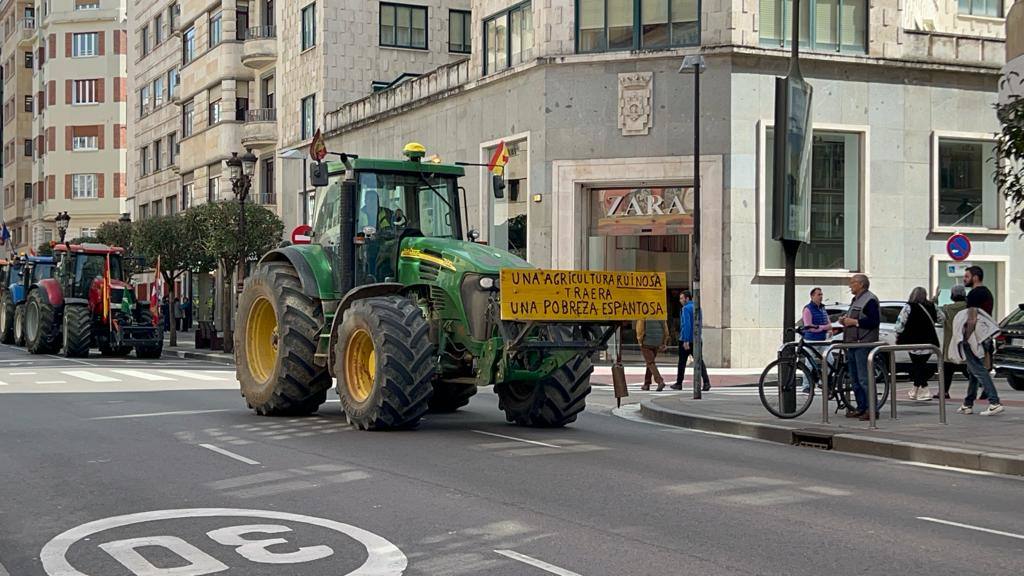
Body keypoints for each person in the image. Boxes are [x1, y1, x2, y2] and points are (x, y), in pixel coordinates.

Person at [956, 266, 1004, 416]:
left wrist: (965, 337)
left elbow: (972, 318)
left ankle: (994, 402)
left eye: (967, 276)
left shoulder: (974, 294)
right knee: (973, 371)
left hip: (975, 336)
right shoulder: (987, 292)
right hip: (985, 335)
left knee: (978, 369)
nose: (964, 279)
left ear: (975, 277)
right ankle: (968, 403)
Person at [839, 274, 880, 420]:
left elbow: (874, 321)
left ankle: (872, 409)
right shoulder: (855, 300)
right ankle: (861, 407)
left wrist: (854, 322)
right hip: (852, 342)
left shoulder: (870, 300)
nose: (850, 286)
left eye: (852, 283)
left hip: (863, 343)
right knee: (855, 379)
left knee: (864, 378)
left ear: (861, 284)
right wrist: (844, 319)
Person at [894, 287, 940, 401]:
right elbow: (941, 318)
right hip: (929, 341)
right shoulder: (932, 306)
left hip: (913, 341)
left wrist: (898, 334)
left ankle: (924, 389)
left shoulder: (908, 307)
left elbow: (900, 323)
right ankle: (915, 389)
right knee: (920, 365)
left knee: (917, 365)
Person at [672, 290, 710, 391]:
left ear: (687, 298)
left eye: (681, 298)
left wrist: (685, 340)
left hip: (686, 339)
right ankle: (706, 382)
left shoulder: (685, 309)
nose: (680, 300)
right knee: (699, 361)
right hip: (697, 339)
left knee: (682, 362)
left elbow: (686, 325)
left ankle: (679, 383)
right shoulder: (697, 307)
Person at [936, 285, 969, 399]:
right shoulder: (969, 307)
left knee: (947, 371)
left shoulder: (947, 309)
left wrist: (936, 297)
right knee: (970, 370)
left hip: (950, 344)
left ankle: (944, 392)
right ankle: (984, 390)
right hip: (966, 343)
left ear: (952, 295)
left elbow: (936, 314)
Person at [800, 287, 831, 393]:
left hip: (822, 340)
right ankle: (806, 385)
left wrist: (820, 327)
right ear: (812, 296)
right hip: (811, 340)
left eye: (821, 294)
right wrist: (822, 327)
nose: (821, 296)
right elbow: (809, 326)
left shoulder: (823, 308)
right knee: (809, 363)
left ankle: (823, 382)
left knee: (830, 360)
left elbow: (828, 324)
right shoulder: (808, 309)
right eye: (819, 294)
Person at [635, 314, 670, 391]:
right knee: (650, 362)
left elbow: (640, 329)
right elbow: (665, 329)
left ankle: (660, 381)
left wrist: (640, 341)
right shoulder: (660, 313)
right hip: (657, 342)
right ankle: (646, 384)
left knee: (650, 363)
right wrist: (664, 341)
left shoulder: (643, 314)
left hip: (647, 342)